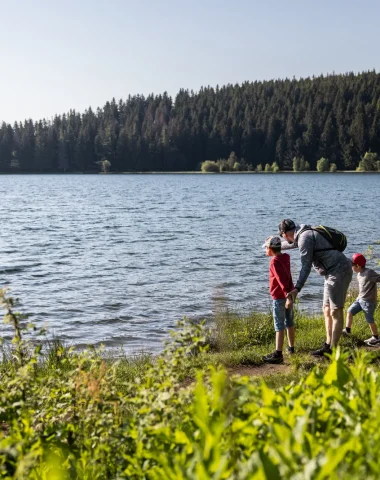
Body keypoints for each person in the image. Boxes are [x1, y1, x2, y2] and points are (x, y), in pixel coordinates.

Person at [278, 219, 352, 356]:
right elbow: (292, 244)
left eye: (281, 236)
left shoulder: (304, 238)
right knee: (326, 309)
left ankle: (334, 352)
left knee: (336, 311)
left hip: (339, 271)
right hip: (330, 272)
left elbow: (305, 266)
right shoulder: (302, 233)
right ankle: (327, 345)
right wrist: (273, 244)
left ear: (284, 233)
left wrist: (297, 288)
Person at [262, 235, 295, 364]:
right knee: (289, 322)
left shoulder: (274, 262)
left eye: (266, 248)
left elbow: (281, 280)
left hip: (280, 297)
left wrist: (287, 295)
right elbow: (288, 277)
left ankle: (278, 354)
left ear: (270, 249)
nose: (265, 251)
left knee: (279, 325)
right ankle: (291, 348)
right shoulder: (285, 257)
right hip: (289, 295)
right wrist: (290, 294)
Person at [343, 253, 380, 346]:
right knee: (349, 311)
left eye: (352, 265)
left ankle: (375, 338)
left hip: (369, 302)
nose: (351, 267)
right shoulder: (359, 274)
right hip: (360, 299)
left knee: (369, 320)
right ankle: (347, 330)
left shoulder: (369, 273)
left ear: (358, 266)